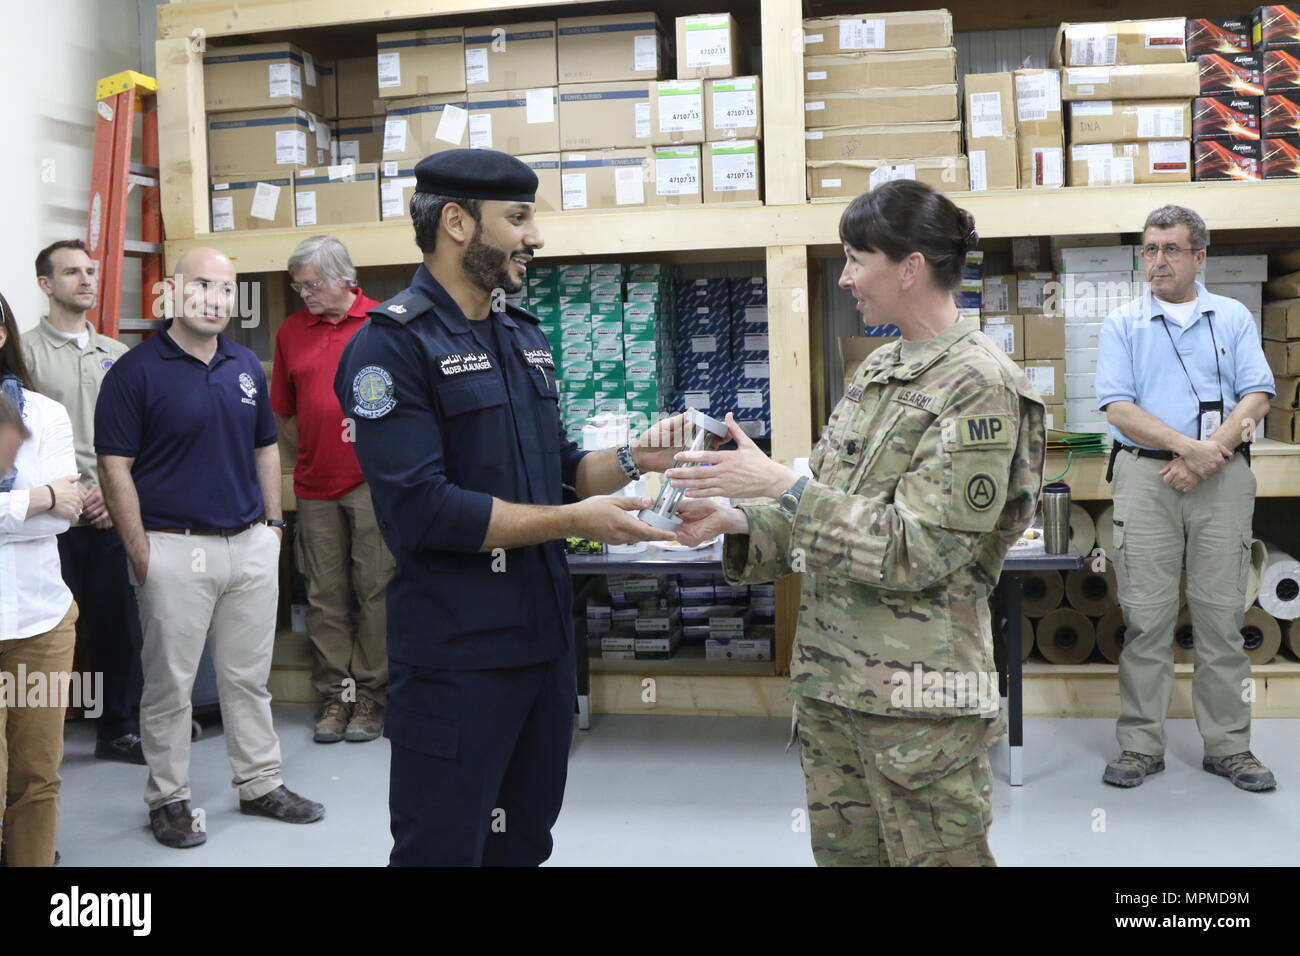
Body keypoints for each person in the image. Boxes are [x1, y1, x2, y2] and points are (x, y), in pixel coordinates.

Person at [666, 180, 1045, 867]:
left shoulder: (979, 384)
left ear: (909, 268)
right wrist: (736, 518)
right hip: (834, 692)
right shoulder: (877, 372)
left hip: (919, 708)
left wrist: (781, 486)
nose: (844, 280)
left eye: (855, 259)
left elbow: (922, 549)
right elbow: (831, 506)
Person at [334, 148, 695, 867]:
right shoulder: (389, 348)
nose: (535, 237)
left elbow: (559, 471)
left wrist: (631, 459)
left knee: (523, 843)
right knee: (443, 849)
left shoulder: (522, 336)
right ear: (459, 223)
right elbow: (423, 512)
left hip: (541, 648)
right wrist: (572, 524)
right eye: (521, 218)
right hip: (455, 662)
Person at [95, 248, 325, 849]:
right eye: (203, 285)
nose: (216, 299)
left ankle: (259, 784)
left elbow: (265, 449)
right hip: (173, 549)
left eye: (227, 290)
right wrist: (139, 549)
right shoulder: (135, 371)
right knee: (170, 687)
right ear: (172, 291)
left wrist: (273, 527)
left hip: (248, 545)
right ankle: (169, 799)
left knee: (249, 679)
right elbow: (114, 464)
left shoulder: (246, 363)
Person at [1095, 205, 1276, 792]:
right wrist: (1184, 449)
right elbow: (1117, 407)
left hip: (1221, 480)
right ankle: (1140, 746)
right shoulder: (1122, 323)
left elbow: (1257, 396)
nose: (1157, 261)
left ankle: (1229, 748)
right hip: (1146, 481)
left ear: (1200, 257)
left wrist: (1209, 453)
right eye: (1149, 249)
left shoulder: (1232, 318)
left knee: (1222, 619)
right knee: (1144, 620)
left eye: (1171, 249)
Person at [22, 239, 144, 764]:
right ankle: (33, 740)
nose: (87, 280)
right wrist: (61, 494)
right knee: (40, 633)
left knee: (117, 627)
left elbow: (139, 437)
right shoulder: (21, 355)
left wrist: (109, 498)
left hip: (105, 514)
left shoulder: (117, 356)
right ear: (46, 285)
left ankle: (118, 729)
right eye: (72, 272)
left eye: (91, 272)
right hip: (42, 522)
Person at [271, 236, 393, 744]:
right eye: (299, 286)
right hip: (314, 484)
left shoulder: (385, 324)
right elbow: (284, 412)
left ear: (345, 278)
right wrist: (311, 455)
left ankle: (371, 696)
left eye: (313, 284)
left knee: (377, 590)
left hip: (374, 482)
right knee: (324, 595)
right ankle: (335, 696)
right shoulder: (291, 332)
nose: (305, 294)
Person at [0, 295, 85, 866]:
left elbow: (66, 513)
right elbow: (48, 505)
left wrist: (41, 505)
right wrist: (34, 499)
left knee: (36, 775)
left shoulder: (44, 413)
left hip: (41, 623)